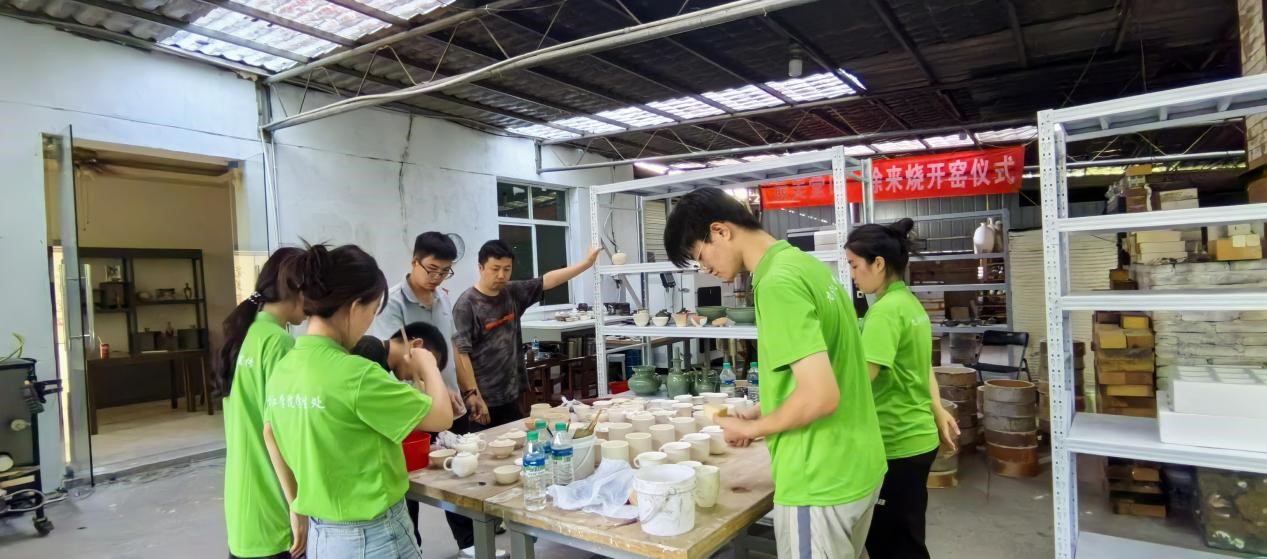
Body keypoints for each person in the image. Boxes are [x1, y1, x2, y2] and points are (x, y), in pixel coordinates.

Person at [663, 187, 886, 559]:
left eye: (700, 256)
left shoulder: (776, 283)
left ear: (720, 231)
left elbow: (821, 396)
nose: (705, 269)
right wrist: (765, 409)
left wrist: (752, 429)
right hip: (858, 463)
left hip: (818, 476)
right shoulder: (806, 266)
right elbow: (835, 370)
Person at [263, 244, 453, 559]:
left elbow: (269, 432)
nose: (369, 323)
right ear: (355, 307)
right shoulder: (356, 374)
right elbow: (441, 417)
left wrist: (296, 506)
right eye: (372, 310)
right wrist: (428, 363)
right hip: (374, 536)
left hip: (322, 537)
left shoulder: (285, 366)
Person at [368, 232, 499, 558]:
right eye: (432, 269)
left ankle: (469, 542)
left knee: (461, 470)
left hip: (449, 403)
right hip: (411, 411)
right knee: (410, 482)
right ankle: (412, 547)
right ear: (414, 262)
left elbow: (454, 349)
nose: (437, 277)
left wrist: (467, 391)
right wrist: (432, 394)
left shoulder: (442, 299)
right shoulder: (392, 305)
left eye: (445, 271)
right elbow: (395, 366)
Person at [847, 218, 960, 559]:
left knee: (892, 546)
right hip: (916, 438)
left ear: (878, 264)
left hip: (895, 442)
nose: (852, 275)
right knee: (907, 537)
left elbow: (857, 384)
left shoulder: (884, 313)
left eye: (854, 265)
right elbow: (923, 367)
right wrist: (936, 408)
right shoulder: (910, 304)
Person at [217, 247, 307, 559]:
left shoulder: (244, 334)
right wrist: (297, 506)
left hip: (243, 508)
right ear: (297, 289)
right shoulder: (279, 343)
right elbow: (278, 433)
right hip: (274, 508)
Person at [452, 240, 599, 427]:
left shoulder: (512, 292)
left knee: (517, 441)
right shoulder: (467, 304)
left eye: (507, 269)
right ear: (480, 268)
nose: (501, 275)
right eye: (495, 269)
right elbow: (460, 353)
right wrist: (473, 394)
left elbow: (548, 280)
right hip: (483, 400)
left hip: (512, 396)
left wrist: (587, 263)